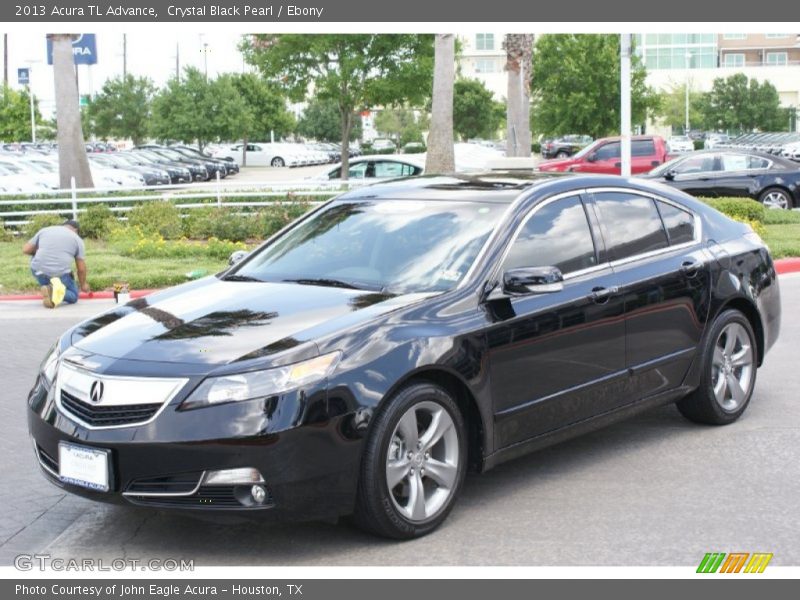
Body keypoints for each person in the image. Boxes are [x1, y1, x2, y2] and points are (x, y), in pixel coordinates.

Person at [23, 219, 90, 308]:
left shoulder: (45, 230)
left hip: (39, 271)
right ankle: (54, 291)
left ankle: (49, 289)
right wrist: (83, 285)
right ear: (76, 230)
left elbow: (26, 250)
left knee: (36, 259)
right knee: (74, 295)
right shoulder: (77, 239)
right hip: (60, 274)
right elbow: (81, 269)